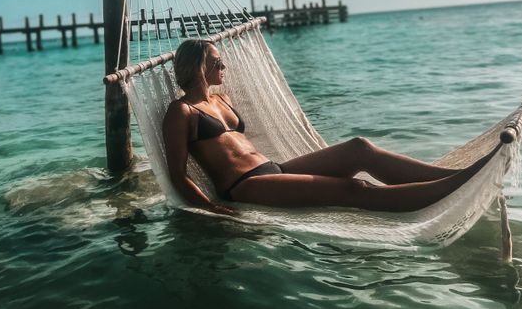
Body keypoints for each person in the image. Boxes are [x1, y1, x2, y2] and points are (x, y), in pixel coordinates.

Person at [162, 40, 499, 216]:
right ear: (198, 66)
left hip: (272, 169)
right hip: (245, 185)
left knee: (359, 149)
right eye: (216, 60)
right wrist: (211, 208)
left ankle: (449, 176)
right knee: (356, 190)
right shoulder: (181, 112)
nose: (224, 64)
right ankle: (449, 189)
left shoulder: (222, 100)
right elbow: (178, 174)